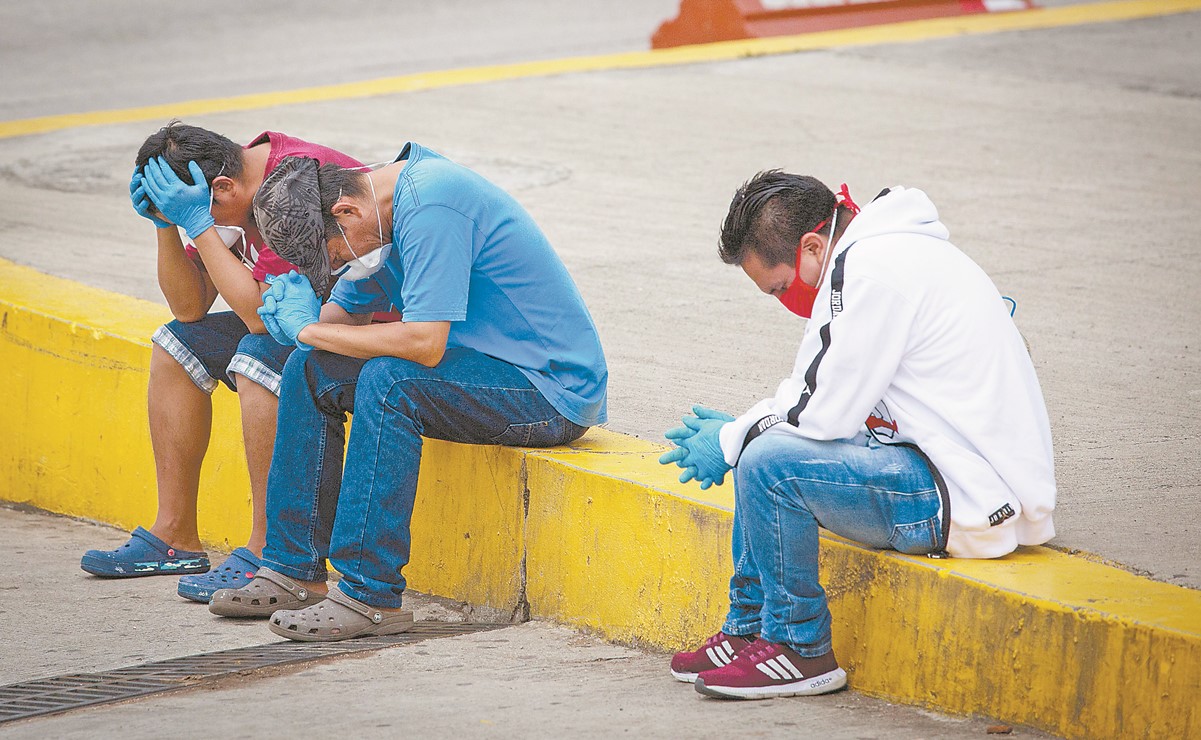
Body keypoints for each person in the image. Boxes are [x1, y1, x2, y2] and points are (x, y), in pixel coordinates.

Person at [660, 171, 1056, 700]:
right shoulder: (887, 251)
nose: (784, 299)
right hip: (944, 465)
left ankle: (799, 650)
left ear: (811, 246)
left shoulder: (868, 272)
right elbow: (819, 395)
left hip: (965, 495)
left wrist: (731, 440)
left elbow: (821, 414)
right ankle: (749, 629)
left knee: (766, 462)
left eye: (779, 286)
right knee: (765, 446)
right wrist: (742, 433)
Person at [206, 146, 608, 641]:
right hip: (481, 373)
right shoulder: (374, 217)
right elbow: (339, 324)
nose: (338, 270)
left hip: (546, 390)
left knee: (389, 381)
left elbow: (424, 343)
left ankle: (368, 595)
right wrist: (298, 324)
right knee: (309, 368)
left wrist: (309, 331)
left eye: (333, 258)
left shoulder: (432, 205)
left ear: (345, 214)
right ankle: (294, 568)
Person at [80, 123, 362, 604]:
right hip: (298, 320)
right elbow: (189, 308)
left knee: (256, 356)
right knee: (177, 343)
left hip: (364, 330)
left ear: (224, 188)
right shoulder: (219, 193)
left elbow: (257, 321)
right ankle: (175, 536)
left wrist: (199, 223)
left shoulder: (290, 188)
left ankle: (267, 550)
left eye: (201, 208)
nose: (201, 219)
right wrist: (167, 225)